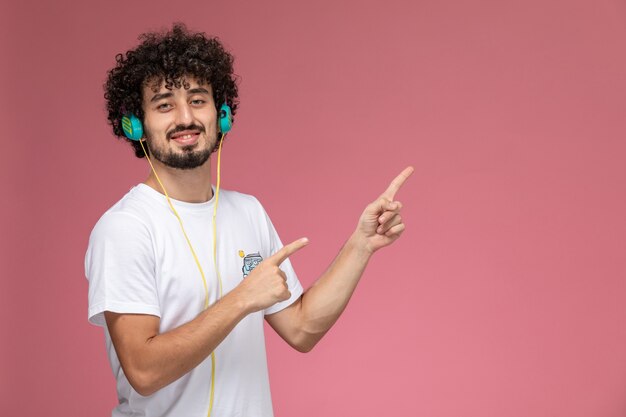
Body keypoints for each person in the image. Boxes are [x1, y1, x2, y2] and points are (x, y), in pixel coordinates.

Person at [85, 23, 412, 417]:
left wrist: (362, 245)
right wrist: (242, 299)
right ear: (136, 124)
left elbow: (302, 329)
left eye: (198, 99)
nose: (185, 118)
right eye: (164, 104)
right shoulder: (125, 227)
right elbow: (143, 369)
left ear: (221, 115)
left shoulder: (248, 212)